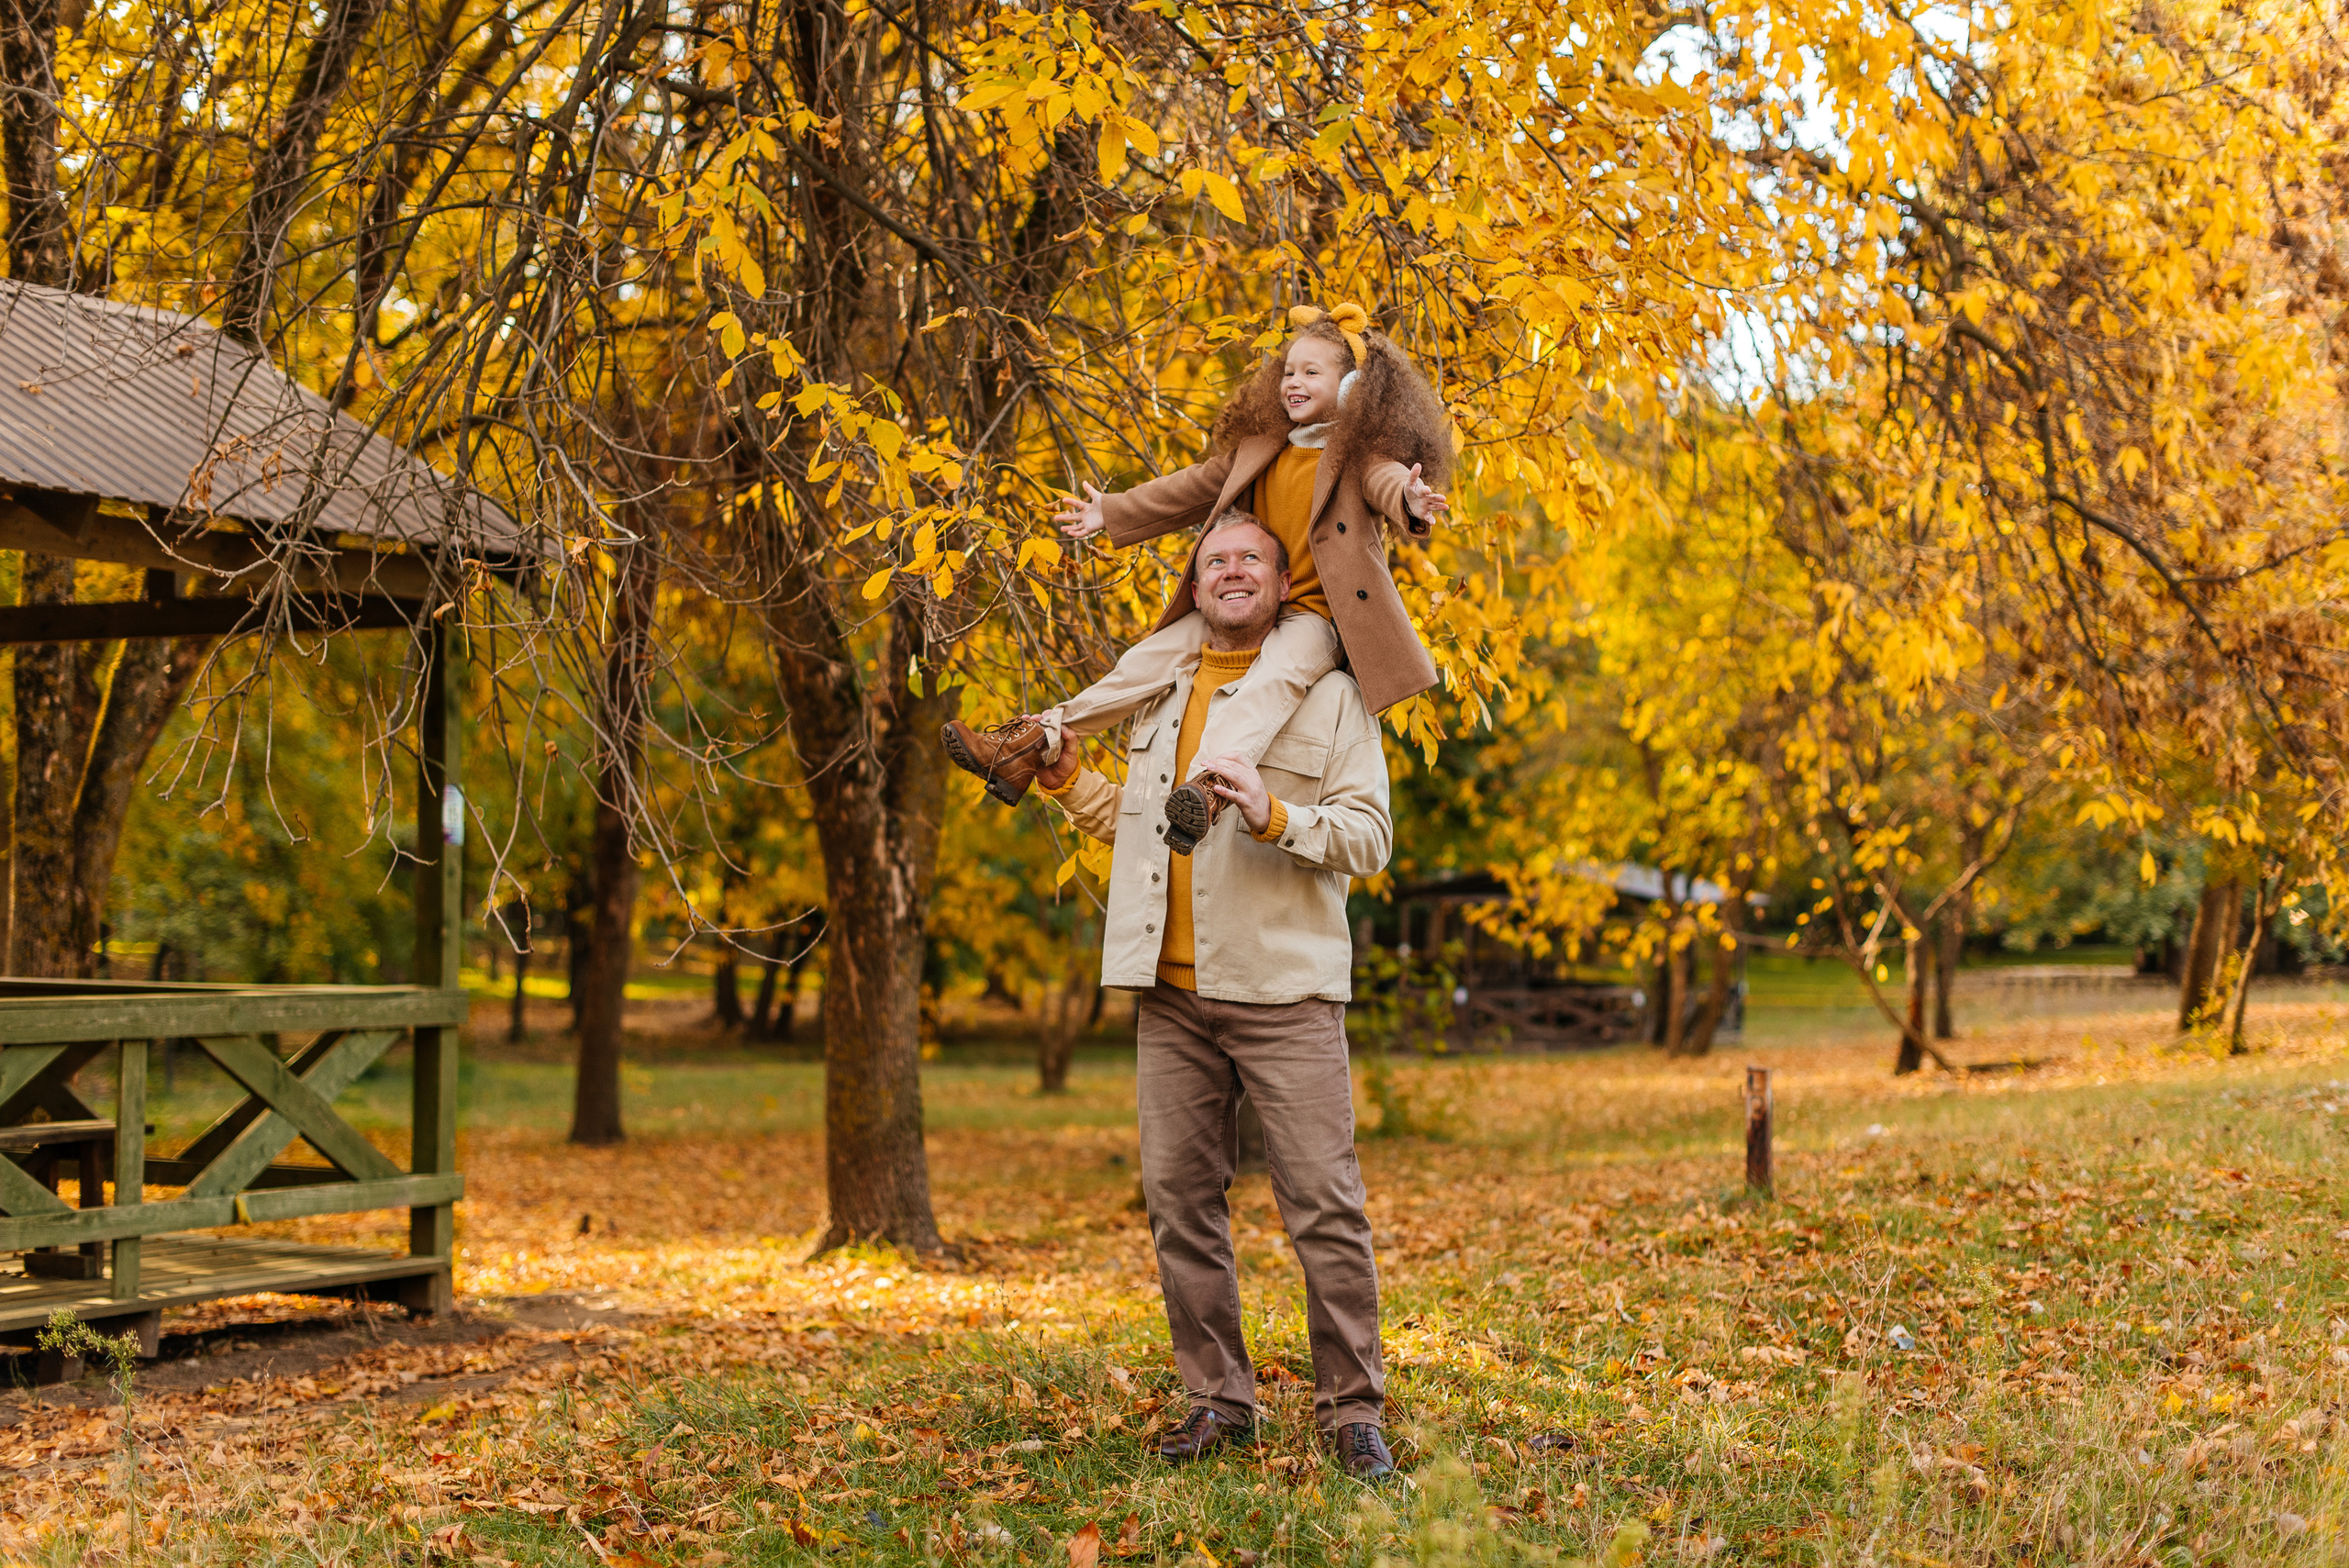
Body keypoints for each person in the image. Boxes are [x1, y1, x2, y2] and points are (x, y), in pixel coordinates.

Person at [1030, 508, 1400, 1483]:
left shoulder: (1328, 695)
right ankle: (1218, 1401)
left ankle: (1352, 1411)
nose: (1231, 571)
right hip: (1170, 996)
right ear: (1195, 588)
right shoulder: (1162, 688)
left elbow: (1369, 838)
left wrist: (1274, 813)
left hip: (1284, 993)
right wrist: (1072, 783)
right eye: (1213, 562)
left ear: (1284, 585)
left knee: (1323, 1204)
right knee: (1179, 1201)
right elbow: (1137, 825)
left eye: (1251, 559)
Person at [941, 301, 1452, 855]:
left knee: (1270, 682)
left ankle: (1209, 785)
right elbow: (1187, 488)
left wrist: (1412, 498)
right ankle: (1030, 743)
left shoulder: (1358, 456)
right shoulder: (1263, 448)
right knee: (1148, 659)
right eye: (1288, 372)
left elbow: (1388, 482)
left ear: (1352, 387)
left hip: (1316, 616)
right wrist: (1112, 512)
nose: (1294, 383)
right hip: (1247, 604)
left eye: (1312, 373)